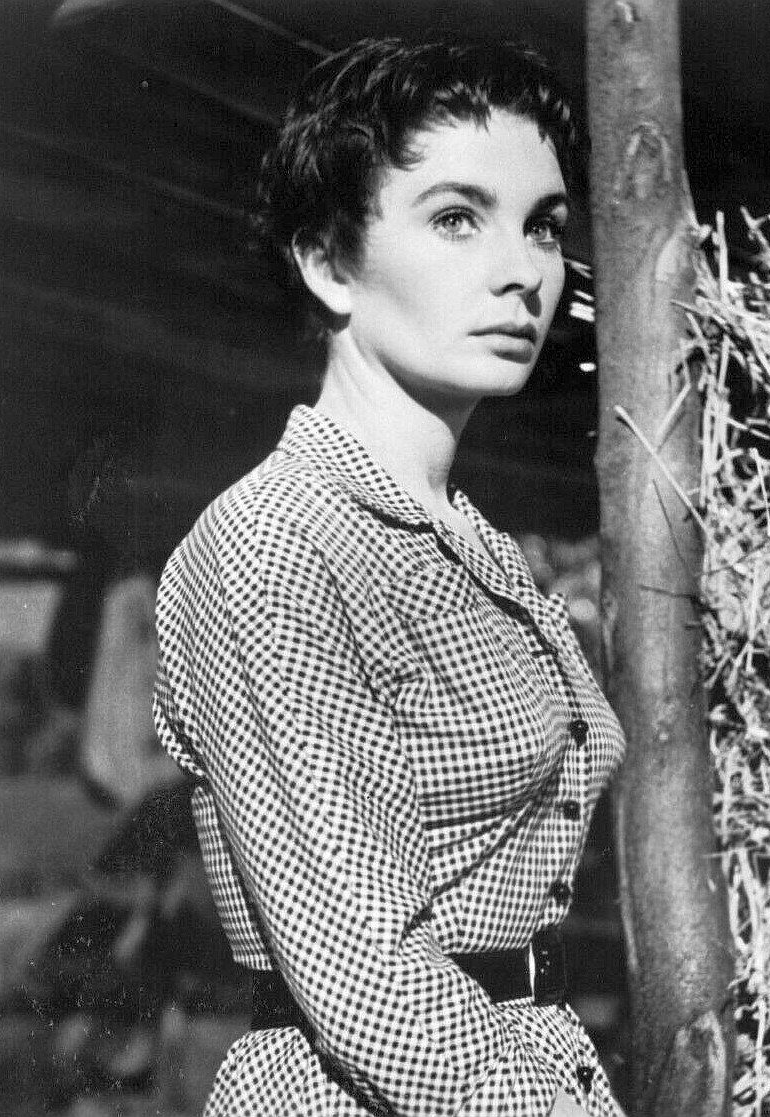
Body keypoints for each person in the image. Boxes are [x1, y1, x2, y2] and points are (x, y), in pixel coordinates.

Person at [152, 35, 625, 1117]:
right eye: (457, 218)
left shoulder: (466, 543)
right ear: (328, 262)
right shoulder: (276, 544)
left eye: (544, 225)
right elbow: (369, 981)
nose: (523, 271)